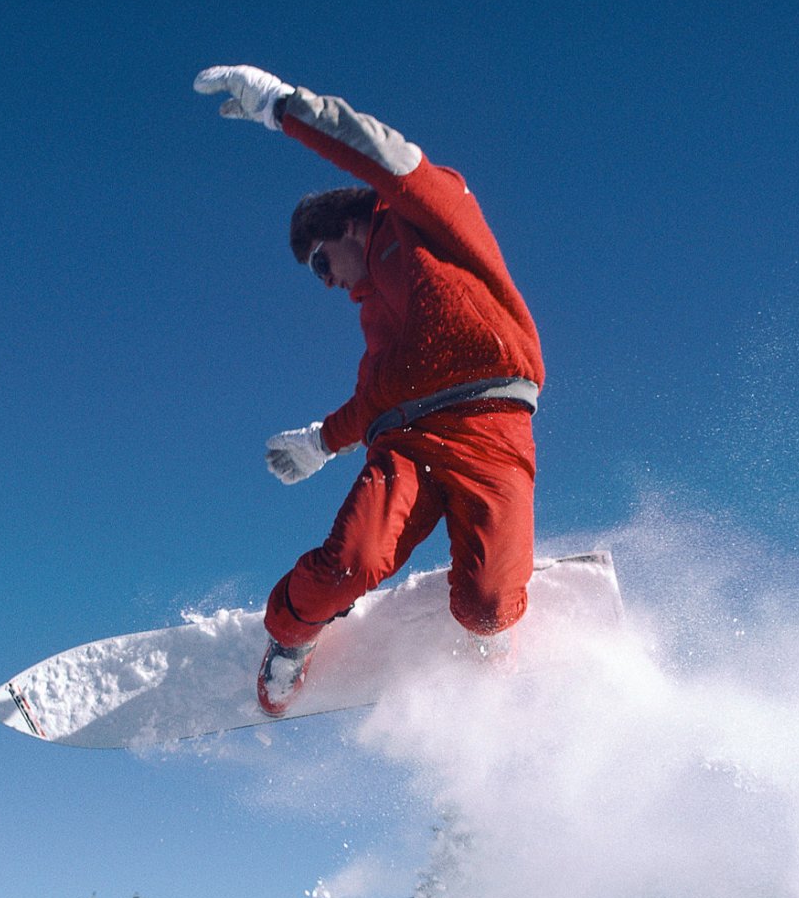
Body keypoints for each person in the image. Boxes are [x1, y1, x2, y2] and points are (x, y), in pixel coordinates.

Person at [193, 65, 544, 716]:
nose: (326, 282)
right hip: (406, 442)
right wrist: (320, 442)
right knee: (349, 565)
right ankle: (290, 640)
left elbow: (380, 151)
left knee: (488, 605)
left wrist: (285, 107)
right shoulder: (377, 318)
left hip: (490, 425)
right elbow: (377, 397)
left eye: (321, 262)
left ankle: (491, 639)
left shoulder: (426, 215)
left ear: (348, 226)